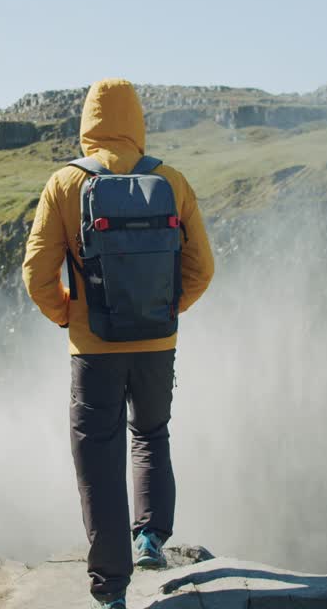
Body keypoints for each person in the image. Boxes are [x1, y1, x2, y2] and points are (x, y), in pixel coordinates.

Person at [22, 78, 215, 608]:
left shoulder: (64, 184)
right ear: (137, 122)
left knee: (99, 461)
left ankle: (110, 592)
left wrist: (71, 317)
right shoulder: (171, 181)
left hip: (94, 349)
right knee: (151, 433)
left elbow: (37, 275)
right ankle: (150, 536)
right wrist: (166, 312)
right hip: (157, 342)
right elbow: (203, 269)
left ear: (87, 123)